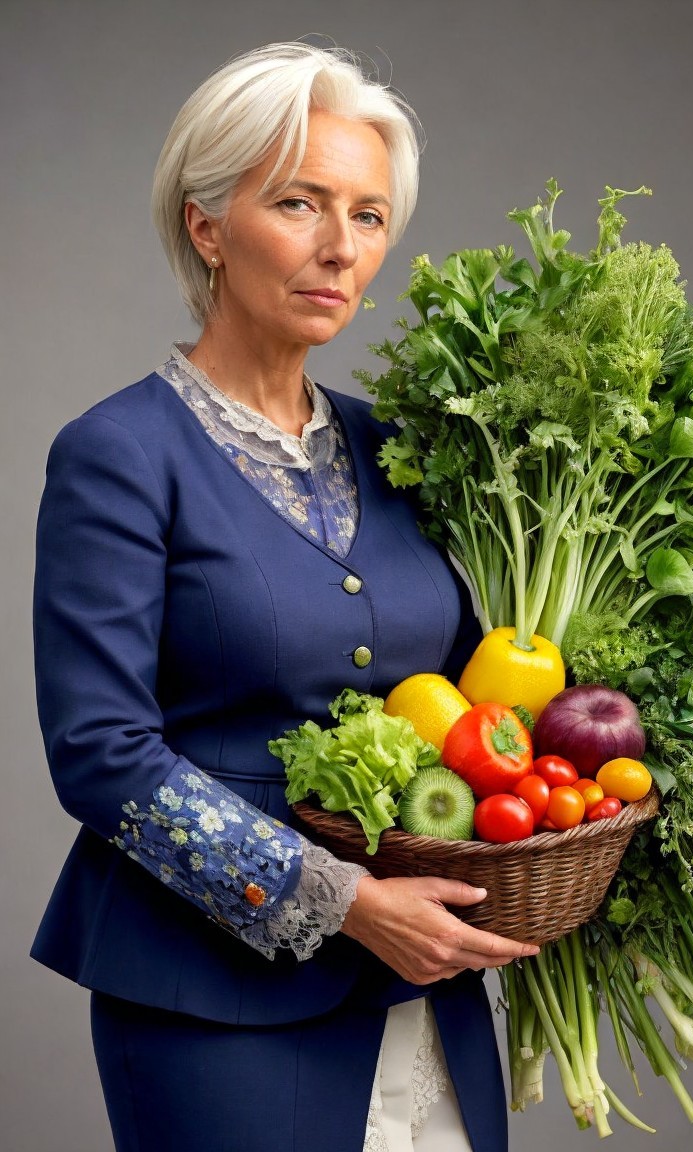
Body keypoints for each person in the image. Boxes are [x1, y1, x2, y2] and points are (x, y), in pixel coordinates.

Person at [30, 42, 538, 1152]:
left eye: (365, 215)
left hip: (431, 998)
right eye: (298, 203)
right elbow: (102, 752)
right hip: (214, 1006)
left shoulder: (407, 452)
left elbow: (472, 699)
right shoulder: (118, 454)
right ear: (208, 226)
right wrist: (349, 905)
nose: (337, 248)